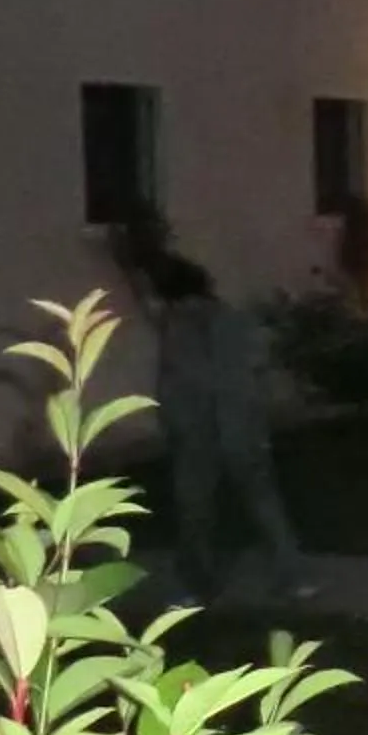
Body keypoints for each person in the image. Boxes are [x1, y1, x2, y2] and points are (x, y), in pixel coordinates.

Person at [148, 253, 308, 605]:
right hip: (239, 428)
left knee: (196, 511)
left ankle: (196, 585)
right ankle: (292, 577)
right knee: (263, 504)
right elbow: (254, 370)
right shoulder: (233, 321)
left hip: (200, 432)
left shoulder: (178, 328)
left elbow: (176, 384)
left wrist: (172, 424)